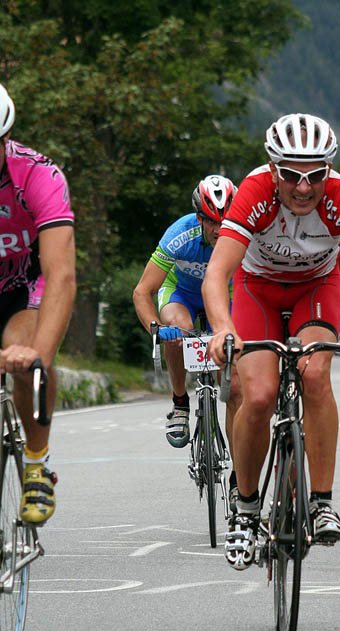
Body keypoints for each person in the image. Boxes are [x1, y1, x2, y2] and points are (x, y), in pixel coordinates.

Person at [202, 112, 340, 570]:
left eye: (315, 175)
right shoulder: (254, 192)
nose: (303, 188)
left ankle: (321, 501)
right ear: (273, 169)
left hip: (314, 291)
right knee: (259, 395)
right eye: (290, 175)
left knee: (315, 373)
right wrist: (223, 327)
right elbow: (217, 275)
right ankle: (245, 511)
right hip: (256, 290)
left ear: (329, 171)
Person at [133, 175, 241, 504]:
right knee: (176, 331)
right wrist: (156, 328)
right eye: (212, 222)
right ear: (200, 218)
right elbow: (142, 292)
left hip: (224, 298)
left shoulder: (243, 237)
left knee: (236, 387)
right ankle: (180, 403)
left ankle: (241, 477)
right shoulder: (180, 235)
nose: (219, 229)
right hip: (182, 295)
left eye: (225, 221)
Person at [0, 83, 76, 524]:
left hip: (23, 289)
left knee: (29, 362)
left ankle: (35, 463)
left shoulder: (37, 175)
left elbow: (62, 275)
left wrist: (38, 357)